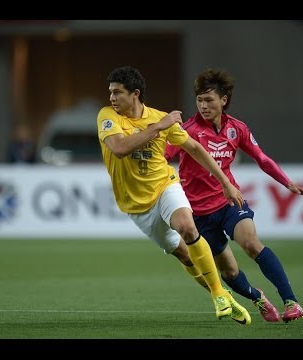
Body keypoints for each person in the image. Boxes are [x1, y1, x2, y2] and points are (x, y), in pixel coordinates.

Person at [97, 65, 251, 325]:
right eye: (110, 92)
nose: (111, 98)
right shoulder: (108, 116)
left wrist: (224, 181)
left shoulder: (157, 117)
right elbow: (120, 148)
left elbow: (194, 148)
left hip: (164, 185)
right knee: (183, 253)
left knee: (187, 228)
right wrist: (159, 126)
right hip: (136, 206)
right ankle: (224, 294)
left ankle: (218, 296)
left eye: (118, 92)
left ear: (135, 94)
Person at [165, 68, 303, 323]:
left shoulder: (237, 128)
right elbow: (163, 157)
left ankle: (292, 302)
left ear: (223, 100)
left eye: (209, 100)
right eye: (199, 100)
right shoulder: (186, 131)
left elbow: (262, 158)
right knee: (230, 272)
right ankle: (258, 298)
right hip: (198, 214)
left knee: (252, 244)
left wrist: (287, 182)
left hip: (229, 202)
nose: (203, 105)